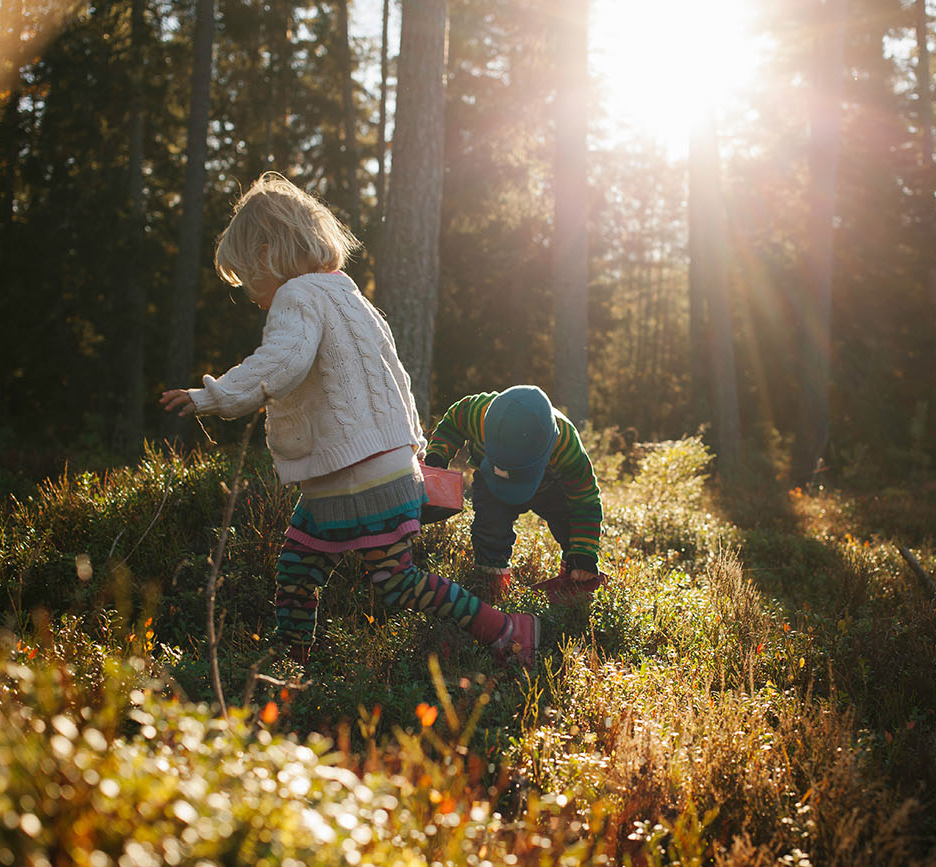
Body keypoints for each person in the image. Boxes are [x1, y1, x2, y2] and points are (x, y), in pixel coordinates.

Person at [159, 173, 538, 665]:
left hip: (355, 475)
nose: (250, 293)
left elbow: (282, 362)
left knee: (392, 580)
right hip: (367, 467)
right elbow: (394, 371)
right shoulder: (348, 295)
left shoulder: (298, 296)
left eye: (248, 276)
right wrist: (412, 443)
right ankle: (291, 660)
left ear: (270, 254)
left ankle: (507, 630)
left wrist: (212, 396)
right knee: (301, 566)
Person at [423, 385, 604, 603]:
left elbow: (585, 500)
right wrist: (437, 456)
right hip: (491, 482)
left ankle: (573, 579)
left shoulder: (565, 442)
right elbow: (452, 424)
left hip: (548, 487)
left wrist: (584, 552)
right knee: (490, 529)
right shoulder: (477, 413)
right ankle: (491, 588)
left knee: (569, 523)